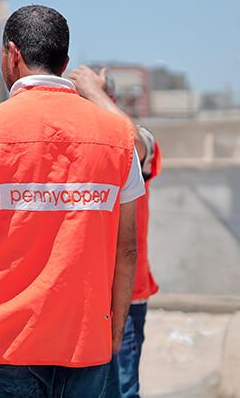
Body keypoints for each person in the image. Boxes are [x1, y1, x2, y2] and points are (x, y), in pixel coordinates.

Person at [0, 4, 146, 398]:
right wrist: (114, 330)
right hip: (84, 343)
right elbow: (127, 249)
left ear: (12, 54)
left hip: (0, 343)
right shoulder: (119, 138)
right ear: (65, 63)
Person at [69, 66, 162, 398]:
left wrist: (93, 90)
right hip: (80, 295)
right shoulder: (79, 141)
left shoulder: (136, 138)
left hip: (125, 294)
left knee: (121, 390)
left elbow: (132, 142)